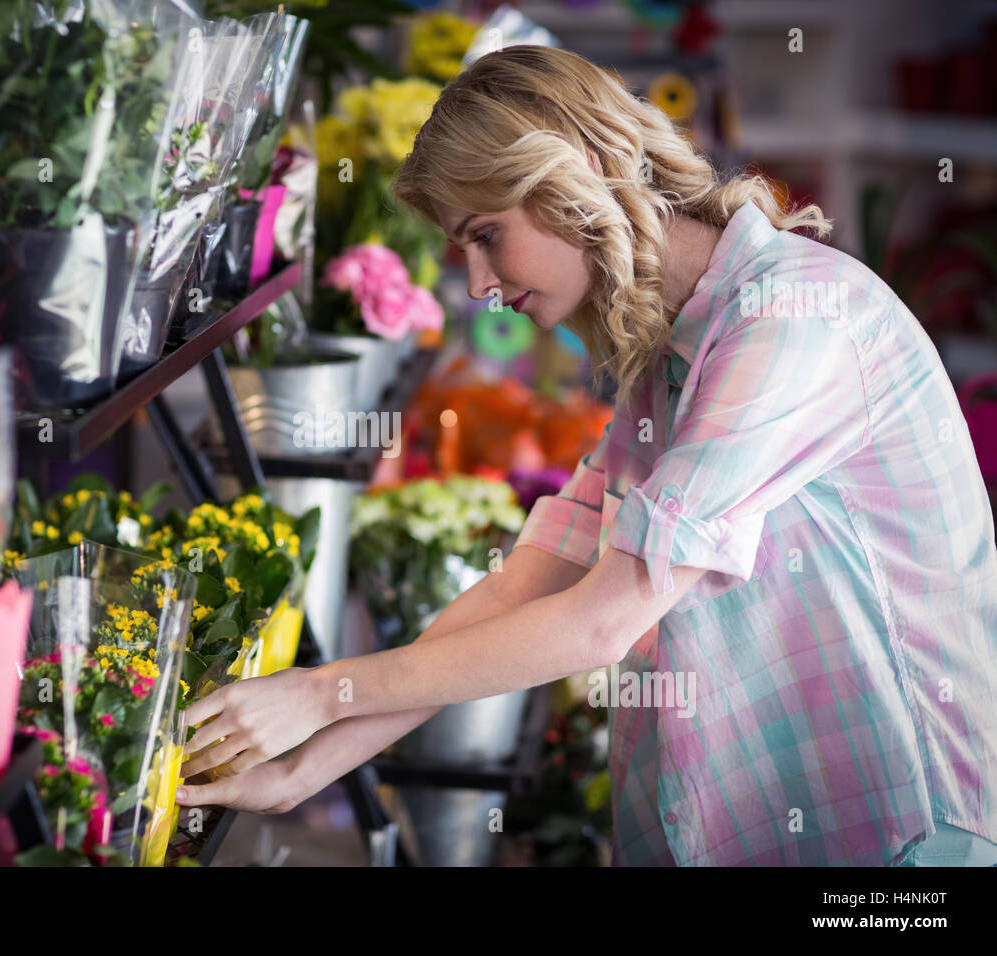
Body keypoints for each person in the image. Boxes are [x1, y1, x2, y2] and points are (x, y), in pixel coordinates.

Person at [175, 46, 997, 866]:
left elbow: (601, 621)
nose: (478, 284)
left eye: (487, 235)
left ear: (590, 168)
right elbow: (529, 581)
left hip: (906, 849)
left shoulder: (792, 320)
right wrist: (300, 770)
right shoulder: (668, 359)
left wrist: (323, 692)